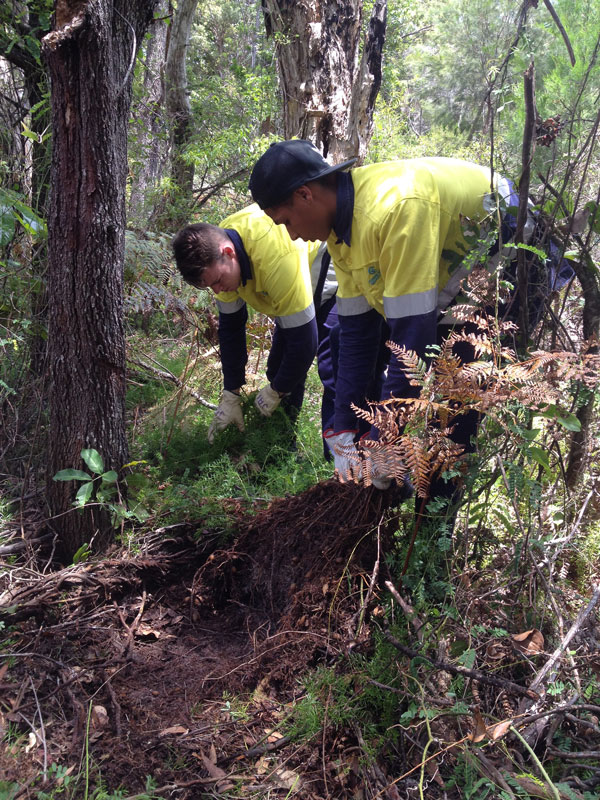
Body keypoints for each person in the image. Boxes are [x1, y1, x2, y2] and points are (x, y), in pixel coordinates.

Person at [248, 140, 517, 498]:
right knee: (353, 346)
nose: (292, 234)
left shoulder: (394, 210)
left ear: (304, 196)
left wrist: (384, 438)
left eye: (286, 221)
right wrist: (343, 427)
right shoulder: (342, 235)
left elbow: (411, 338)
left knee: (455, 403)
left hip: (510, 249)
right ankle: (394, 486)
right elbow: (358, 336)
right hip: (456, 273)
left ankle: (432, 532)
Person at [172, 204, 319, 443]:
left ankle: (291, 452)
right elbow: (231, 329)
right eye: (211, 286)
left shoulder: (276, 257)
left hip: (320, 267)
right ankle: (270, 443)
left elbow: (305, 342)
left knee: (332, 368)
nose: (218, 290)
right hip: (285, 281)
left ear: (229, 253)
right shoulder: (217, 256)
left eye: (218, 281)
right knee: (278, 368)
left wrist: (277, 390)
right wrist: (231, 392)